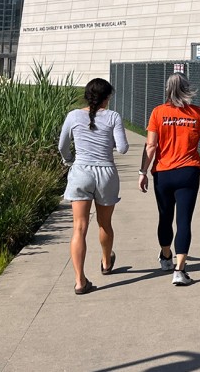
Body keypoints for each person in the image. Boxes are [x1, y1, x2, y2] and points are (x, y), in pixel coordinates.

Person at [139, 73, 200, 286]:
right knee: (184, 220)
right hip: (188, 172)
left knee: (164, 216)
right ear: (187, 88)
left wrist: (142, 172)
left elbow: (151, 146)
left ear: (167, 89)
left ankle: (165, 256)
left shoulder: (158, 112)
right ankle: (179, 271)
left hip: (163, 173)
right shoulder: (199, 113)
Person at [58, 78, 129, 295]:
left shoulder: (73, 116)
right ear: (106, 98)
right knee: (104, 223)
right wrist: (110, 142)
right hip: (106, 173)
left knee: (79, 227)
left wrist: (69, 160)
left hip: (81, 172)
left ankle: (80, 281)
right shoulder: (113, 117)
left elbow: (62, 145)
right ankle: (106, 262)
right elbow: (123, 148)